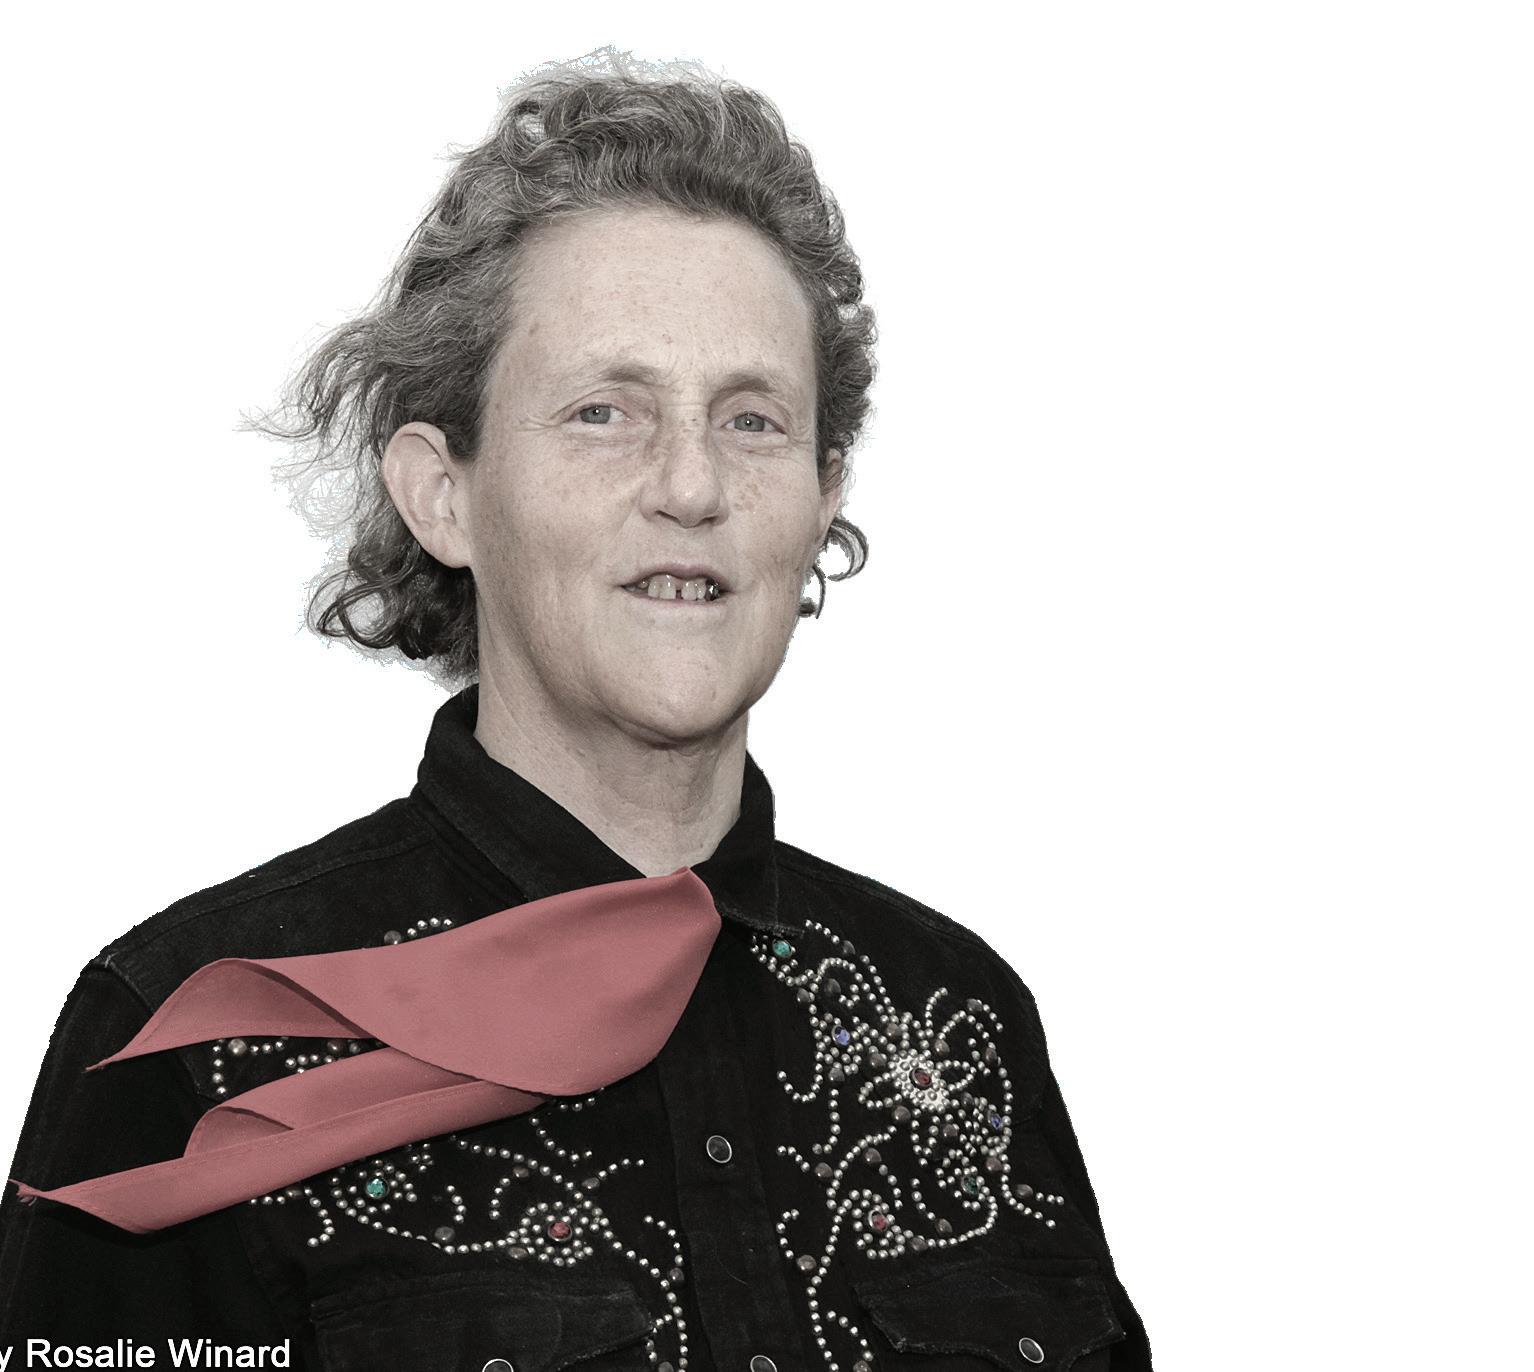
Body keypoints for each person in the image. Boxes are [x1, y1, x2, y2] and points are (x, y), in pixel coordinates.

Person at [0, 47, 1151, 1370]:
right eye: (604, 411)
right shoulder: (197, 1033)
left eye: (753, 421)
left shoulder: (958, 1017)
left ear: (823, 494)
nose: (691, 485)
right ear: (443, 495)